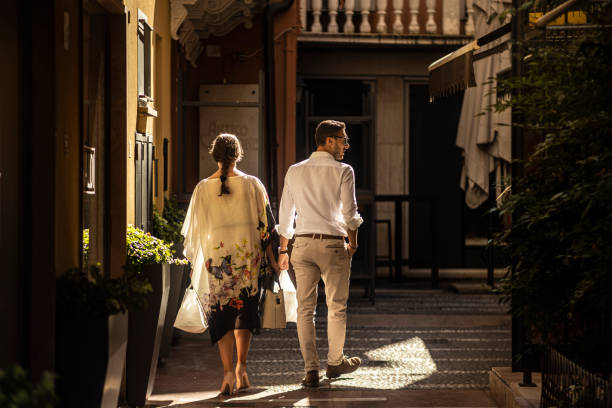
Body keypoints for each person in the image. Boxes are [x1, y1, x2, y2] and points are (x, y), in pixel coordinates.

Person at [181, 133, 279, 396]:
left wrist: (195, 262)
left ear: (215, 156)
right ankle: (241, 369)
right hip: (247, 260)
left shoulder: (202, 188)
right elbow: (267, 227)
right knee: (245, 313)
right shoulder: (253, 184)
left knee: (222, 313)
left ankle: (226, 373)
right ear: (238, 155)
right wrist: (275, 259)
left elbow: (194, 231)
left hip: (217, 263)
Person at [277, 120, 363, 387]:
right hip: (332, 244)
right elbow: (350, 214)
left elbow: (285, 214)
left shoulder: (294, 171)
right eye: (342, 140)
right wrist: (353, 242)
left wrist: (283, 249)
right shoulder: (343, 171)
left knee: (305, 309)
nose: (346, 146)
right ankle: (335, 362)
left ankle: (310, 370)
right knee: (336, 306)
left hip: (301, 245)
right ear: (328, 141)